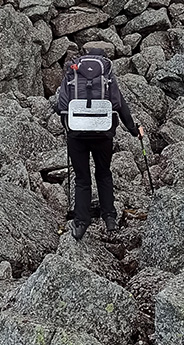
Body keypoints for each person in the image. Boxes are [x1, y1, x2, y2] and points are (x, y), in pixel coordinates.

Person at [55, 47, 144, 240]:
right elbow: (119, 105)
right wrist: (134, 130)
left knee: (81, 179)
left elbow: (61, 105)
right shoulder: (107, 76)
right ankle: (109, 218)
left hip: (76, 134)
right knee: (104, 173)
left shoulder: (73, 73)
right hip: (103, 134)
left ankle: (81, 223)